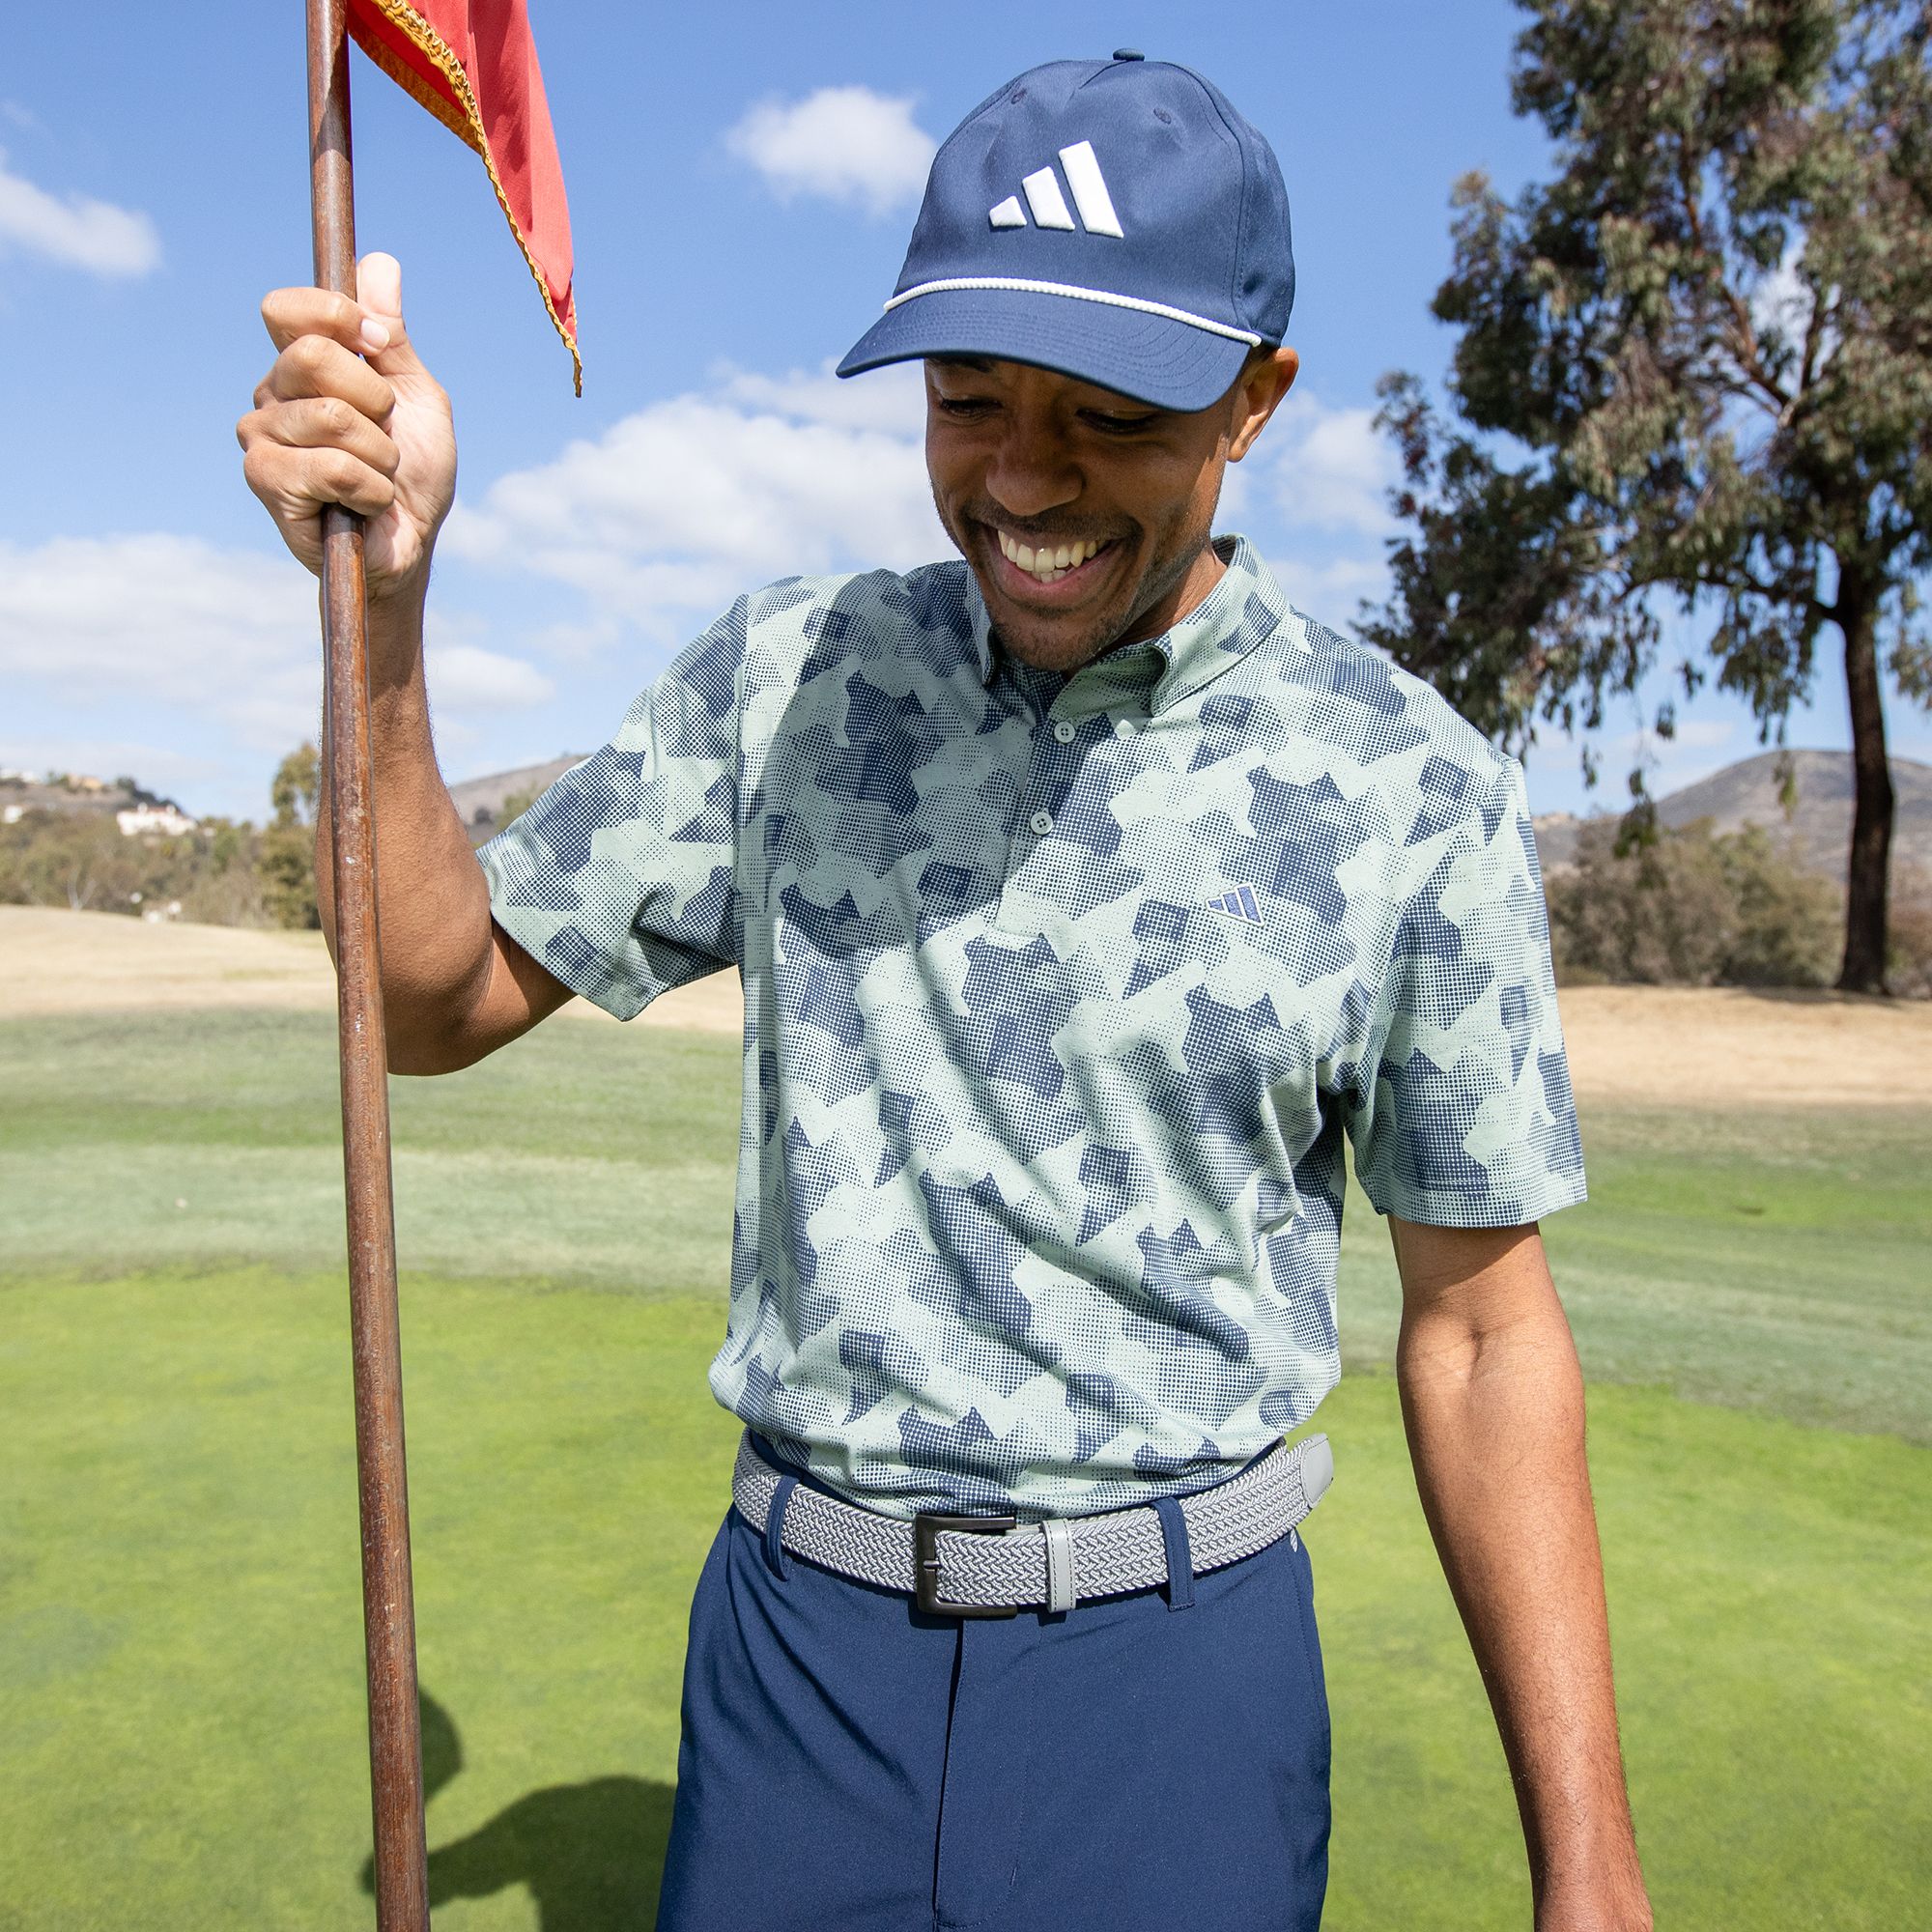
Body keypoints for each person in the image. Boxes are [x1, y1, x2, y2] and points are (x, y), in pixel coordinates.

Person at [239, 51, 1650, 1932]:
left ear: (1253, 400)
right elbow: (420, 1000)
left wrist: (1590, 1868)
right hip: (799, 1670)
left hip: (1179, 1688)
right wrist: (393, 606)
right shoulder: (788, 674)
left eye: (1109, 411)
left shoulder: (1410, 786)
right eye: (967, 395)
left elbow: (1482, 1336)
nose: (1021, 474)